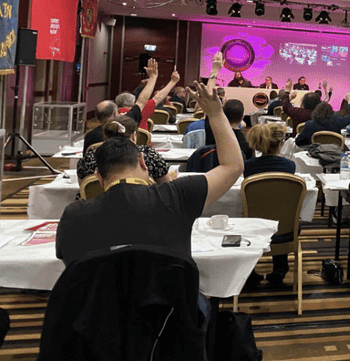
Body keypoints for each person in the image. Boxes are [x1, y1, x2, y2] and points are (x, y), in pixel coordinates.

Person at [56, 80, 244, 265]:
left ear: (98, 177)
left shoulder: (73, 215)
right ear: (142, 161)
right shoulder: (177, 196)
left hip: (102, 296)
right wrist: (216, 113)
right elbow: (233, 166)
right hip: (171, 294)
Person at [243, 122, 295, 287]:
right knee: (282, 215)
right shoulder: (289, 166)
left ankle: (248, 271)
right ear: (280, 145)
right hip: (284, 229)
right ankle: (280, 269)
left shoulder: (247, 167)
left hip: (252, 227)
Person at [77, 116, 173, 184]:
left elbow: (84, 189)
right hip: (144, 210)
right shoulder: (149, 155)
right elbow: (167, 186)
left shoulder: (89, 158)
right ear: (134, 136)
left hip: (96, 210)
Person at [117, 64, 180, 131]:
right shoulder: (141, 110)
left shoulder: (112, 113)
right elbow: (158, 97)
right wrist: (173, 82)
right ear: (133, 103)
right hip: (140, 141)